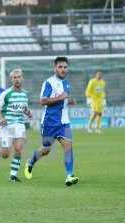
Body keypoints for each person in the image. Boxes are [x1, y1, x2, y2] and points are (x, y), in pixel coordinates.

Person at [24, 56, 79, 186]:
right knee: (46, 150)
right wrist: (60, 98)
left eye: (65, 67)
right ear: (55, 68)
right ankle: (31, 161)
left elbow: (63, 99)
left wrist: (69, 101)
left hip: (63, 123)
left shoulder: (66, 83)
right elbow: (42, 100)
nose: (63, 69)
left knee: (68, 147)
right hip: (49, 122)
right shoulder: (49, 82)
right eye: (60, 67)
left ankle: (69, 176)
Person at [0, 69, 32, 182]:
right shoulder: (6, 93)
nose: (17, 79)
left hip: (19, 124)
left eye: (19, 77)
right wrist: (1, 118)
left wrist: (28, 113)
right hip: (8, 126)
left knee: (18, 149)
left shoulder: (25, 94)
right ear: (12, 79)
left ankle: (13, 176)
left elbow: (24, 107)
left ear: (22, 78)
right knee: (5, 154)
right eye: (14, 77)